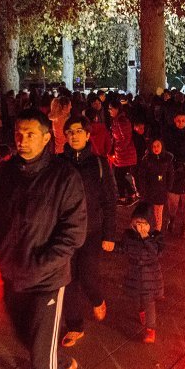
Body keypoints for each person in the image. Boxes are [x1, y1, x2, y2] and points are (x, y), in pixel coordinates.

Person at [0, 109, 85, 369]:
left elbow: (74, 230)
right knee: (26, 336)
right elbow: (0, 215)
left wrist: (42, 261)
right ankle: (60, 364)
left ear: (48, 137)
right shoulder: (7, 172)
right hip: (12, 273)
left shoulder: (64, 176)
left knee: (39, 350)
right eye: (18, 134)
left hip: (47, 278)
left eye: (30, 134)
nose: (22, 141)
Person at [59, 115, 118, 348]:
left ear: (87, 135)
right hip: (64, 232)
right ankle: (75, 325)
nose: (74, 135)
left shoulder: (100, 164)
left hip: (91, 230)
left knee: (88, 275)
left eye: (78, 131)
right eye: (70, 131)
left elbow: (109, 201)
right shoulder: (57, 163)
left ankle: (96, 298)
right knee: (68, 279)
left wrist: (109, 235)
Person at [118, 201, 164, 344]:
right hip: (134, 275)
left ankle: (150, 329)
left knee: (149, 301)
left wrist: (146, 238)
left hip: (150, 276)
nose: (140, 226)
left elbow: (155, 252)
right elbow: (123, 248)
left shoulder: (155, 237)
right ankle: (141, 311)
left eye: (144, 223)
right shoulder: (129, 236)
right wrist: (111, 246)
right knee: (137, 299)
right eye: (138, 223)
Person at [138, 137, 173, 231]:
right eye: (154, 146)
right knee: (149, 212)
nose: (156, 148)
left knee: (158, 213)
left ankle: (157, 232)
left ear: (162, 147)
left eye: (158, 146)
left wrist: (168, 187)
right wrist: (143, 189)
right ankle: (148, 230)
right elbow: (142, 176)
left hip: (161, 191)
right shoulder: (147, 159)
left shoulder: (166, 159)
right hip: (149, 191)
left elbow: (170, 174)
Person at [108, 99, 139, 205]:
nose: (109, 111)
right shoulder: (117, 120)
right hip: (121, 154)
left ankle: (129, 195)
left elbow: (126, 138)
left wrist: (118, 149)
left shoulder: (122, 121)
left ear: (117, 109)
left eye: (111, 109)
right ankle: (127, 196)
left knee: (119, 175)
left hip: (125, 154)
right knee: (119, 175)